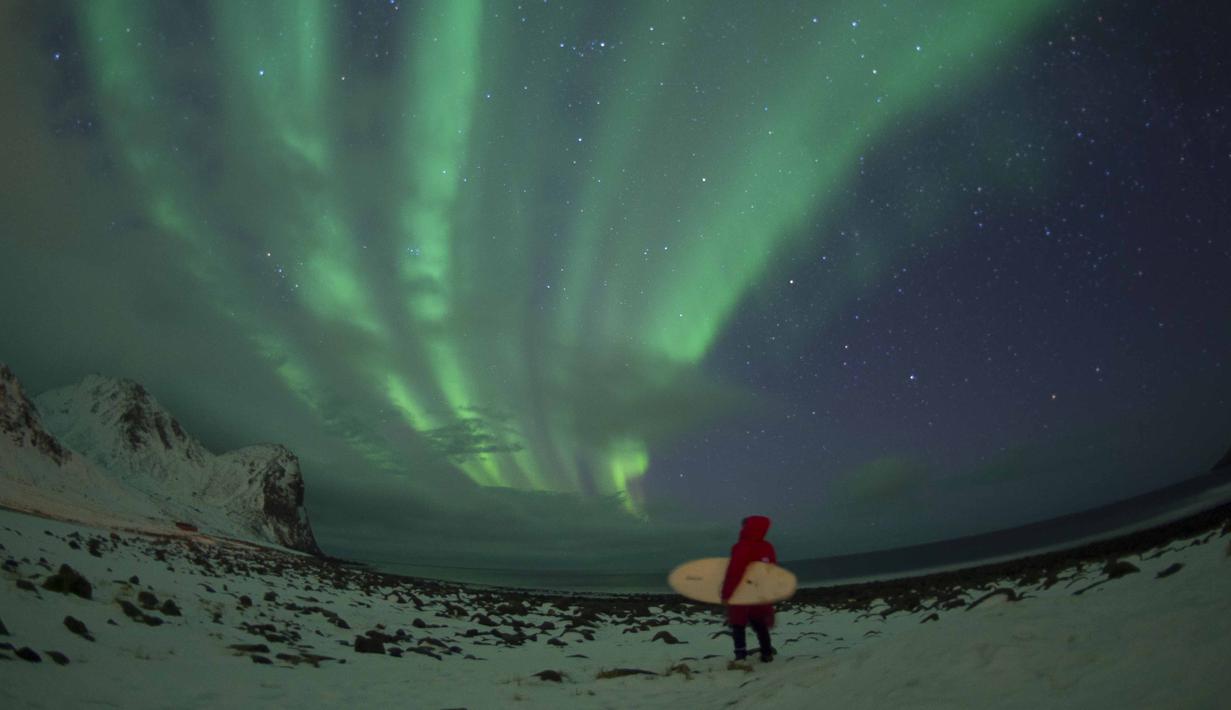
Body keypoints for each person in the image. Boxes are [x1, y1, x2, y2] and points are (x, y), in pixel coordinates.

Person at [720, 515, 777, 662]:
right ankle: (766, 653)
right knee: (760, 623)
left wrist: (726, 594)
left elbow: (734, 572)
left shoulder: (742, 547)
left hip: (742, 593)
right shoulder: (767, 547)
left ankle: (740, 656)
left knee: (738, 624)